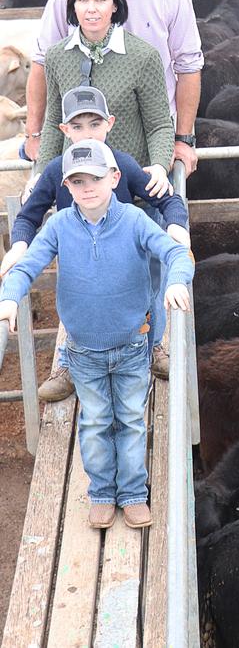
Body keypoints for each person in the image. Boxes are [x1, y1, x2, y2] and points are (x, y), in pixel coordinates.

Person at [0, 139, 194, 529]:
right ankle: (103, 492)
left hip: (132, 344)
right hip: (83, 350)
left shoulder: (135, 221)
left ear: (115, 177)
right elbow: (27, 266)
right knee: (95, 422)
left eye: (95, 178)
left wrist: (176, 282)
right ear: (66, 187)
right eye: (77, 181)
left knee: (131, 419)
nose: (88, 187)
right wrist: (9, 298)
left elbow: (175, 254)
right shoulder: (58, 226)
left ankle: (135, 493)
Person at [0, 85, 191, 401]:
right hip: (81, 260)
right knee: (76, 302)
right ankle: (68, 365)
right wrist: (20, 243)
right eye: (77, 126)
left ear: (109, 124)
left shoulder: (121, 165)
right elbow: (28, 216)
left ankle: (155, 345)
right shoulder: (56, 170)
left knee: (149, 289)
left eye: (94, 124)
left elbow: (168, 199)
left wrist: (176, 224)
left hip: (126, 261)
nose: (86, 133)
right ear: (64, 129)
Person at [25, 0, 203, 175]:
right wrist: (34, 135)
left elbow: (189, 67)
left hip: (152, 138)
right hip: (80, 142)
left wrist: (182, 139)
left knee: (152, 209)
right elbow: (43, 63)